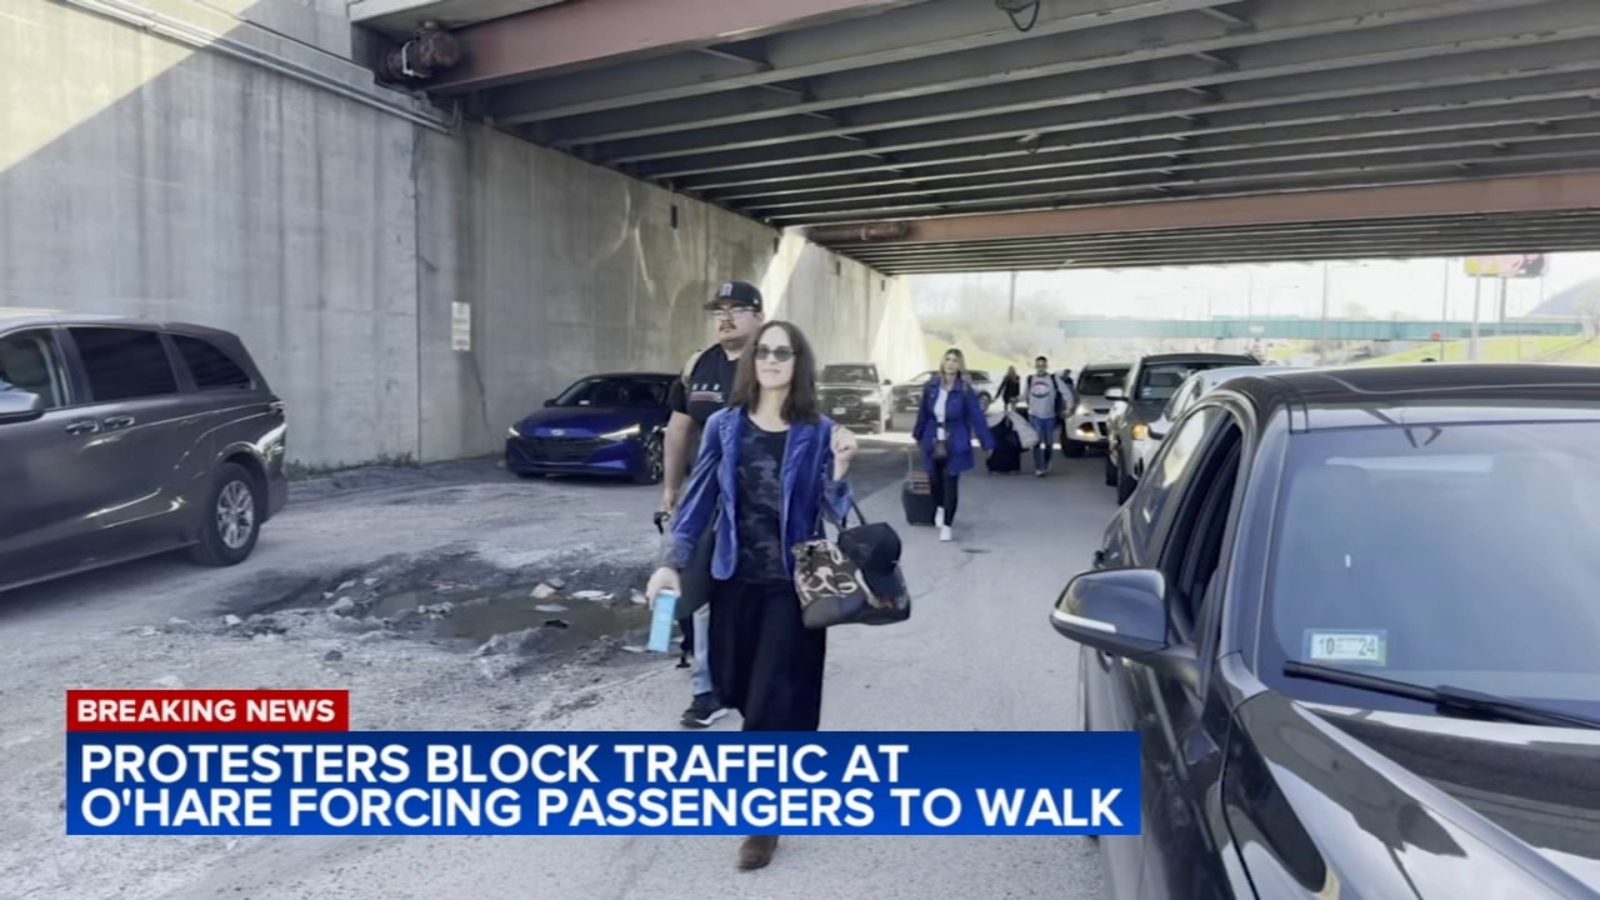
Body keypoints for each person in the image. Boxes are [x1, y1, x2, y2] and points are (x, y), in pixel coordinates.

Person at [646, 320, 858, 871]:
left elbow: (834, 512)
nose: (770, 360)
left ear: (797, 362)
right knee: (736, 689)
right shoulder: (725, 425)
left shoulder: (817, 429)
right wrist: (672, 563)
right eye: (763, 352)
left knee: (770, 706)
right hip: (734, 581)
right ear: (752, 362)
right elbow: (698, 500)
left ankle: (762, 824)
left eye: (782, 353)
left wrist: (840, 467)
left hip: (794, 589)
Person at [660, 280, 764, 729]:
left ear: (758, 315)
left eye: (737, 308)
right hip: (705, 503)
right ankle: (708, 688)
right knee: (695, 589)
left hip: (760, 504)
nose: (726, 317)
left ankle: (756, 665)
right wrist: (670, 491)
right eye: (719, 310)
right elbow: (678, 429)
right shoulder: (699, 364)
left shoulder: (773, 362)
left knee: (756, 594)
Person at [912, 348, 994, 542]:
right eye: (947, 359)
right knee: (934, 480)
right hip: (933, 437)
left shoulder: (965, 390)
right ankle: (940, 506)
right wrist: (918, 435)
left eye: (955, 361)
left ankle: (947, 524)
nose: (950, 363)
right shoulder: (931, 387)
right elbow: (923, 413)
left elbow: (977, 418)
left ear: (960, 365)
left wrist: (987, 443)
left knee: (950, 481)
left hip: (956, 439)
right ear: (942, 363)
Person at [1024, 357, 1073, 477]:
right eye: (1038, 366)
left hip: (1049, 416)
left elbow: (1067, 393)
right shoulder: (1030, 379)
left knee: (1049, 443)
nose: (1040, 368)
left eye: (1043, 366)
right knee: (1036, 442)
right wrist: (1015, 400)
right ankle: (1039, 467)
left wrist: (1069, 408)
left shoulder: (1053, 379)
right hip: (1034, 415)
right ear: (1035, 366)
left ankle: (1046, 462)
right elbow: (1025, 395)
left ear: (1046, 366)